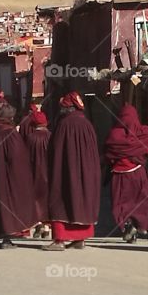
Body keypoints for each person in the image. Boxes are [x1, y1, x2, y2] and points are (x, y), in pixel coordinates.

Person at [0, 101, 36, 247]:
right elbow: (18, 158)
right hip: (6, 178)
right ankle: (6, 238)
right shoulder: (10, 133)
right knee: (6, 204)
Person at [47, 91, 100, 249]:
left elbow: (55, 150)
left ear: (67, 108)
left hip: (65, 171)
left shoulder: (64, 124)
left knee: (61, 200)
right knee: (82, 199)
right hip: (87, 172)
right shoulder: (87, 124)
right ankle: (80, 238)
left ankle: (60, 239)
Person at [104, 103, 148, 243]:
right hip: (138, 174)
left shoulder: (114, 134)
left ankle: (127, 225)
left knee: (121, 202)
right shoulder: (142, 132)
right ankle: (138, 226)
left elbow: (108, 154)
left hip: (120, 175)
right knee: (139, 200)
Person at [23, 108, 51, 235]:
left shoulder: (30, 138)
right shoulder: (51, 136)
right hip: (49, 174)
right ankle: (47, 227)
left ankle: (38, 223)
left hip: (34, 173)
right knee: (48, 199)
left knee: (35, 199)